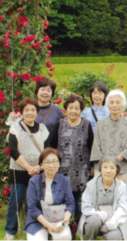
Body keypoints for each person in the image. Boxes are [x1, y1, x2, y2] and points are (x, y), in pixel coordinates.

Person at [5, 98, 50, 241]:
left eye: (33, 110)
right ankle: (10, 231)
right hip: (18, 170)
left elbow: (47, 151)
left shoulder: (43, 129)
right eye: (26, 110)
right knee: (15, 201)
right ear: (21, 112)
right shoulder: (15, 128)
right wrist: (29, 167)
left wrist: (39, 167)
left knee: (34, 202)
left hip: (38, 172)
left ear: (37, 112)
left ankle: (32, 229)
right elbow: (13, 151)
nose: (30, 113)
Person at [48, 94, 94, 226]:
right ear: (66, 109)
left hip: (81, 169)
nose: (73, 111)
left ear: (81, 110)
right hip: (62, 169)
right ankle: (62, 224)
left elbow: (91, 146)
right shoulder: (60, 124)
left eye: (77, 108)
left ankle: (77, 225)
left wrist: (92, 166)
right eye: (71, 107)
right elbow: (52, 145)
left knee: (79, 199)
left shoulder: (86, 124)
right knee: (62, 198)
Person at [77, 154, 127, 241]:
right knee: (92, 223)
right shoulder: (91, 185)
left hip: (113, 220)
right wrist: (103, 216)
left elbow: (122, 209)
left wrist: (110, 224)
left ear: (116, 170)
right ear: (100, 169)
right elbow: (86, 207)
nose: (108, 171)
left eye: (112, 168)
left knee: (114, 237)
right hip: (95, 218)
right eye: (105, 167)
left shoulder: (121, 186)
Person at [24, 148, 75, 241]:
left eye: (55, 161)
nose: (51, 165)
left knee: (65, 237)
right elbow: (32, 208)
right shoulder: (33, 181)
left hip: (58, 220)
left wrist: (65, 221)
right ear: (41, 165)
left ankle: (51, 236)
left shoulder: (64, 180)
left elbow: (70, 204)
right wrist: (48, 225)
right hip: (38, 221)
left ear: (59, 164)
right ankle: (47, 234)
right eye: (47, 162)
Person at [90, 89, 127, 185]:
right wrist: (106, 164)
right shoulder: (100, 124)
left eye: (118, 102)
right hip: (102, 166)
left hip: (121, 167)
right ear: (107, 105)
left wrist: (113, 162)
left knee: (120, 196)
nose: (114, 105)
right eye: (112, 102)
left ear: (122, 105)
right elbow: (96, 147)